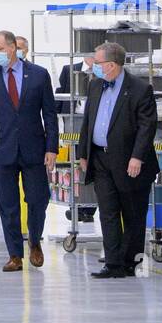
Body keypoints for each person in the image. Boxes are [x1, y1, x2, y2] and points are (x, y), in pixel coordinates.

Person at [0, 30, 58, 272]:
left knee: (37, 200)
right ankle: (14, 254)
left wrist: (52, 147)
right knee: (7, 204)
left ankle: (34, 242)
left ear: (12, 48)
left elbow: (49, 114)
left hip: (34, 149)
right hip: (2, 151)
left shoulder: (39, 76)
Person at [78, 41, 159, 278]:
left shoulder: (140, 89)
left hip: (130, 162)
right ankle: (112, 264)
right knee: (108, 211)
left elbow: (147, 127)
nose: (93, 65)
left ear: (111, 65)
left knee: (132, 214)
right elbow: (88, 122)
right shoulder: (95, 86)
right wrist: (84, 153)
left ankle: (129, 263)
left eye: (98, 61)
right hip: (100, 159)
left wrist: (137, 157)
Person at [56, 52, 97, 222]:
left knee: (92, 164)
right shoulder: (69, 70)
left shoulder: (102, 71)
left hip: (93, 123)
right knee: (74, 166)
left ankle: (89, 208)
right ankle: (76, 205)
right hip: (72, 124)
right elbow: (60, 95)